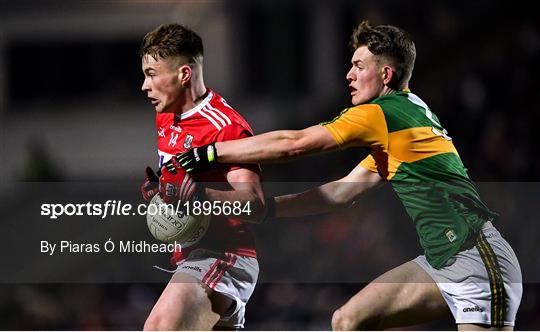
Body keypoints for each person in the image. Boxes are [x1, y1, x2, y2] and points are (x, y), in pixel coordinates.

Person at [168, 21, 523, 330]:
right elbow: (341, 192)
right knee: (348, 320)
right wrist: (270, 209)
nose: (348, 75)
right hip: (443, 261)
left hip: (478, 260)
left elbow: (294, 144)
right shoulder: (401, 121)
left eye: (358, 66)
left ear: (386, 75)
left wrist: (209, 151)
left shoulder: (382, 114)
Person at [139, 23, 265, 330]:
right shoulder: (166, 116)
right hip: (189, 257)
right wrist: (161, 193)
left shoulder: (226, 127)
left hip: (225, 256)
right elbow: (182, 182)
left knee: (159, 328)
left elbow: (255, 205)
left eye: (152, 73)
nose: (144, 85)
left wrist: (202, 197)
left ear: (183, 74)